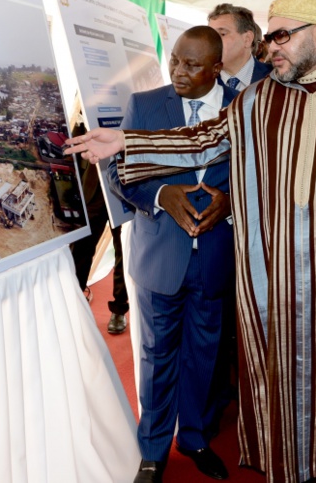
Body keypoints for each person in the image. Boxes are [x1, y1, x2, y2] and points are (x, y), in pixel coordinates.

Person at [68, 0, 316, 483]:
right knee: (276, 374)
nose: (269, 47)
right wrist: (129, 140)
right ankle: (288, 466)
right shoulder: (260, 97)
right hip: (271, 271)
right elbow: (203, 138)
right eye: (269, 37)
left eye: (282, 36)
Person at [109, 26, 238, 483]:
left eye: (192, 65)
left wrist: (232, 201)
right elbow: (121, 173)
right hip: (161, 254)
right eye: (175, 61)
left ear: (217, 68)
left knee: (205, 354)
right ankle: (153, 450)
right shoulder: (145, 105)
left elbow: (263, 175)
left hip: (219, 254)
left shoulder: (244, 105)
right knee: (157, 353)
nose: (179, 72)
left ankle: (196, 437)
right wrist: (162, 193)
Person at [68, 114, 129, 333]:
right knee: (81, 247)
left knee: (123, 249)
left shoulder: (130, 87)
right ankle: (75, 302)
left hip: (125, 188)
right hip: (92, 185)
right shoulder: (85, 89)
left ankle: (119, 309)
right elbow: (75, 136)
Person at [207, 3, 271, 90]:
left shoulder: (274, 78)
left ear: (247, 39)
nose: (212, 41)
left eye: (222, 34)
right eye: (210, 35)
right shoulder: (201, 80)